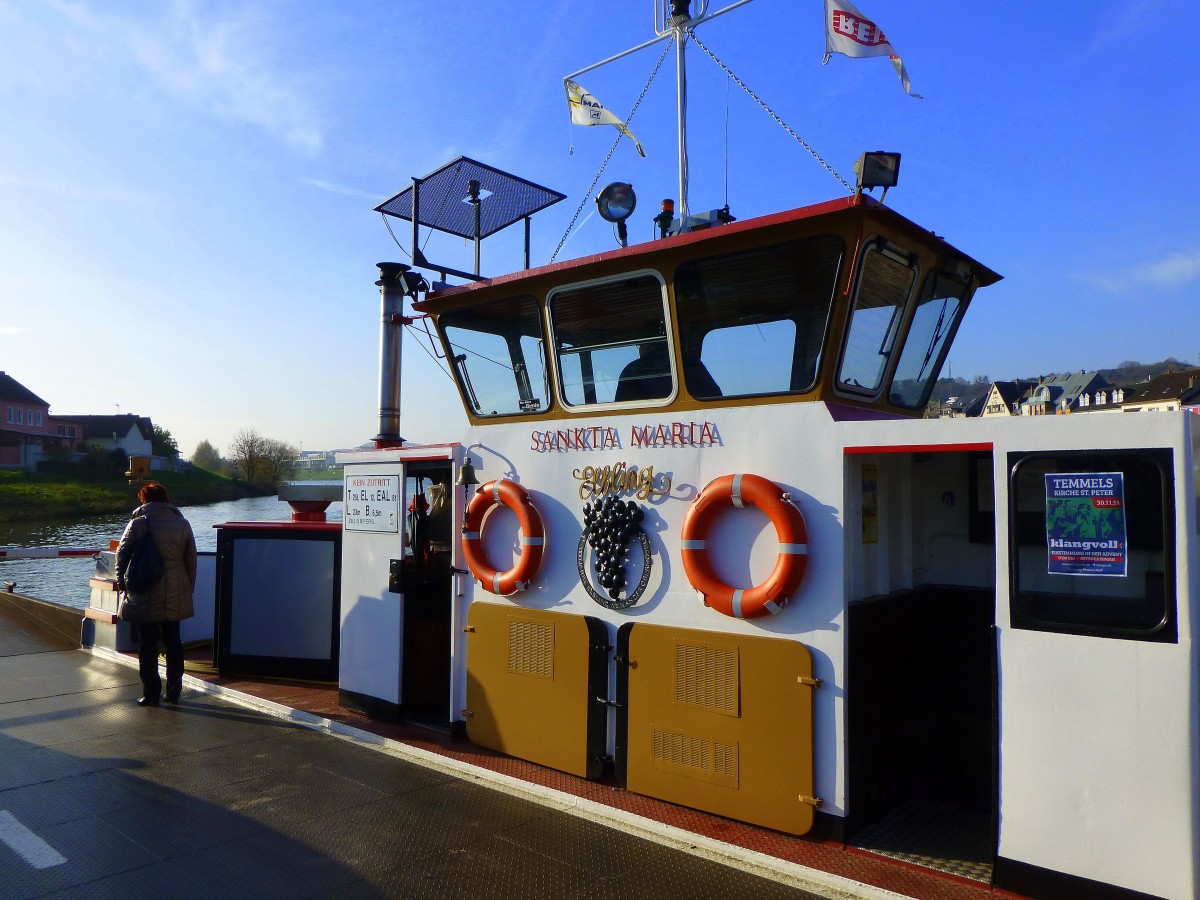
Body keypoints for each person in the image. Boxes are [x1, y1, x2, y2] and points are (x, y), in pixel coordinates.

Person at [116, 481, 197, 707]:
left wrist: (122, 584)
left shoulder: (137, 524)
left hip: (144, 588)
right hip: (175, 587)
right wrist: (187, 587)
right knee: (173, 642)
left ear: (144, 500)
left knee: (147, 644)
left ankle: (151, 694)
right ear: (166, 499)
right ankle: (173, 692)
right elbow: (191, 558)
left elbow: (121, 555)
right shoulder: (182, 523)